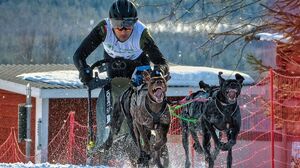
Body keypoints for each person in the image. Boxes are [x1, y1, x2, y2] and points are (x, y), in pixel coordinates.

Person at [73, 0, 169, 153]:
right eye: (118, 25)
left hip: (138, 65)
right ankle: (111, 132)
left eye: (128, 25)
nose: (123, 30)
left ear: (135, 24)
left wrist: (158, 72)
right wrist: (83, 70)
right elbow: (79, 55)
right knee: (115, 94)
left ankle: (147, 129)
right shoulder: (103, 29)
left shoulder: (141, 33)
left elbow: (161, 62)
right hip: (114, 65)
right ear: (111, 23)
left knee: (140, 94)